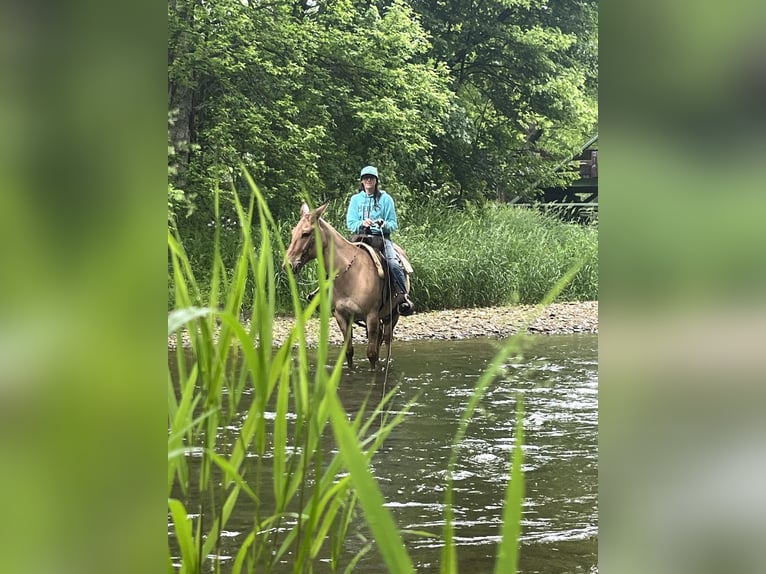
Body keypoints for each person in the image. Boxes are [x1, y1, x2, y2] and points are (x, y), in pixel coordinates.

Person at [346, 165, 414, 316]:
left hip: (381, 238)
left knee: (393, 263)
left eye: (371, 178)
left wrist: (383, 224)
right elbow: (350, 223)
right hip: (360, 237)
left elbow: (393, 224)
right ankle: (326, 295)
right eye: (365, 178)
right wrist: (361, 223)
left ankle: (403, 296)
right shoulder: (355, 200)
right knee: (338, 260)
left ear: (376, 181)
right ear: (362, 181)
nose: (368, 180)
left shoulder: (386, 199)